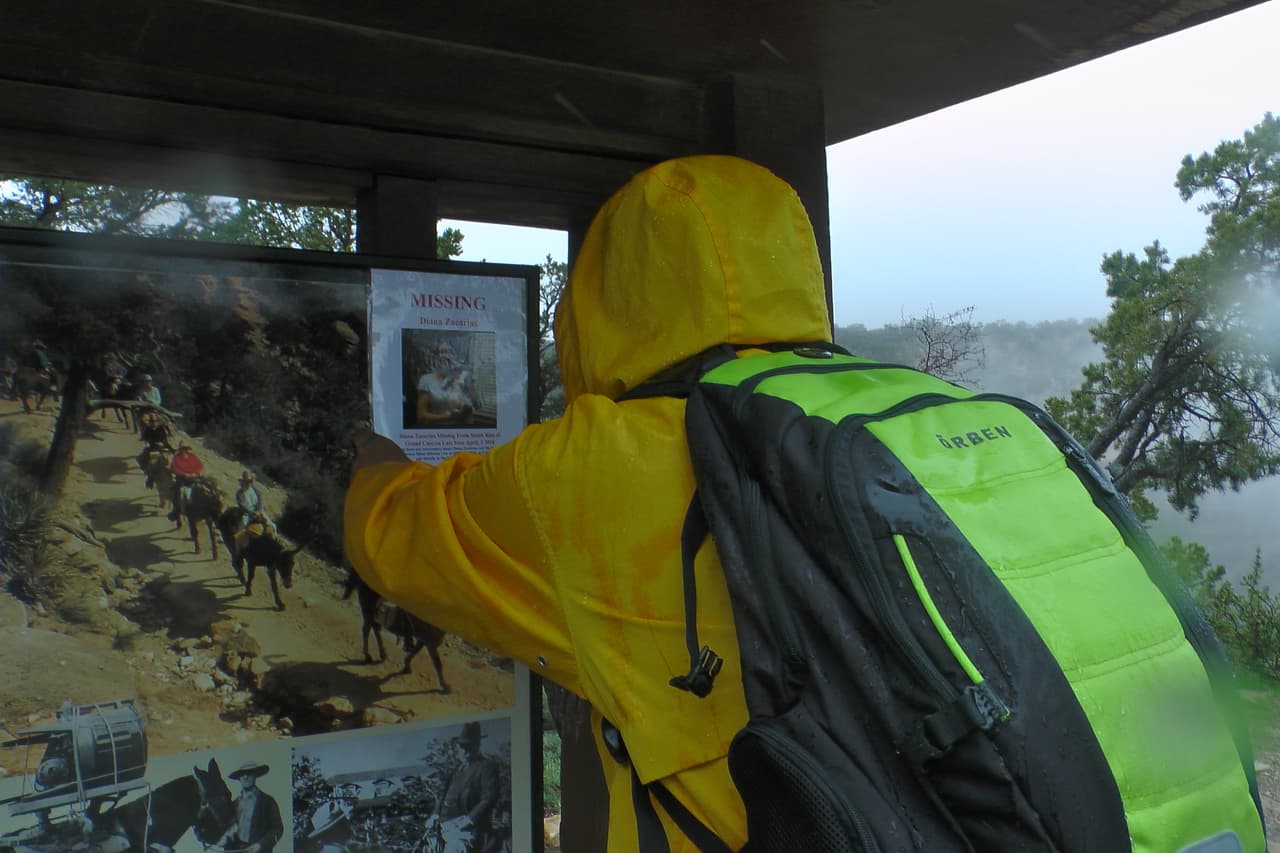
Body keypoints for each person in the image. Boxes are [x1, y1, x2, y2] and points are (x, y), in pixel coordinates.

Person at [345, 155, 832, 851]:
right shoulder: (916, 423)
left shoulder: (592, 465)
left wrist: (376, 467)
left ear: (609, 297)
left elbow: (396, 536)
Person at [425, 722, 501, 853]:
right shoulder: (457, 770)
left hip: (465, 830)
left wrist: (469, 819)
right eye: (462, 746)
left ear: (477, 746)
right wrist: (435, 814)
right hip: (441, 828)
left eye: (469, 746)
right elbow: (443, 796)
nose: (465, 750)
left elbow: (488, 798)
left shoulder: (486, 766)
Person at [217, 761, 283, 853]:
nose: (245, 777)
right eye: (242, 774)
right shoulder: (233, 804)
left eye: (249, 773)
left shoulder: (267, 801)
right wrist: (224, 837)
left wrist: (260, 845)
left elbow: (277, 828)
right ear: (239, 778)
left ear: (255, 775)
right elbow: (226, 828)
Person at [414, 339, 480, 427]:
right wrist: (444, 417)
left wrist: (469, 388)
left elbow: (477, 406)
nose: (445, 356)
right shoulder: (426, 380)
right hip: (436, 432)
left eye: (450, 352)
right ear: (436, 356)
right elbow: (421, 416)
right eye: (442, 352)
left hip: (463, 432)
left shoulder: (464, 377)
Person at [168, 442, 204, 521]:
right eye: (183, 449)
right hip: (182, 479)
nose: (184, 451)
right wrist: (185, 474)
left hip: (195, 477)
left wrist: (195, 473)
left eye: (185, 449)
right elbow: (174, 468)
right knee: (176, 493)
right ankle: (176, 510)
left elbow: (199, 465)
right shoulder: (176, 458)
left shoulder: (192, 456)